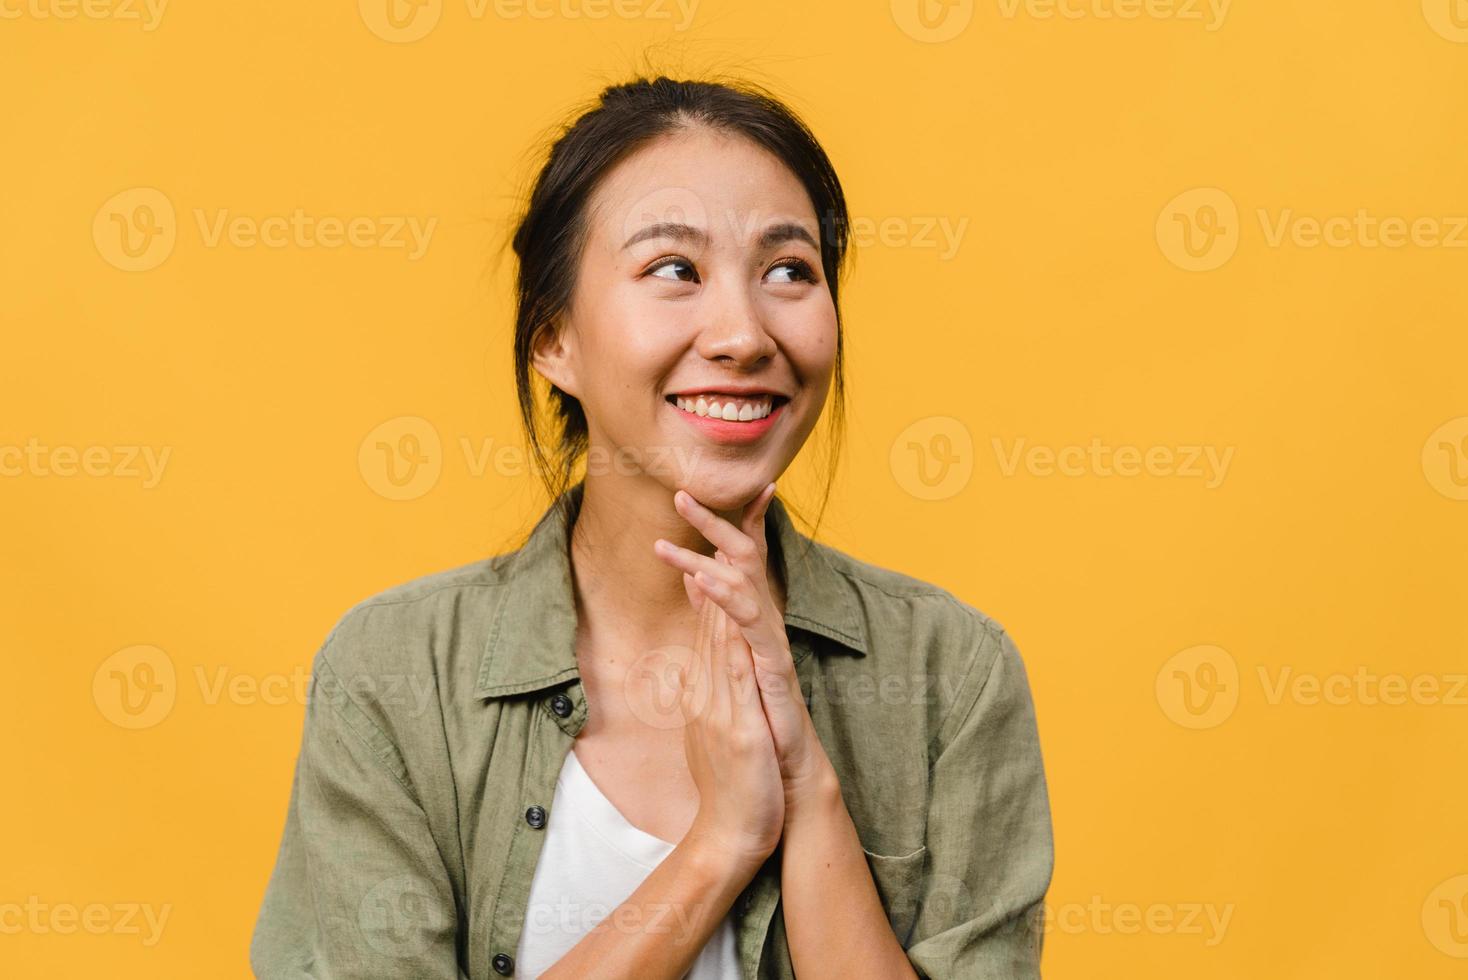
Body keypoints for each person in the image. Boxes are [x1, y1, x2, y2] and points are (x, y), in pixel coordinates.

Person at [251, 75, 1054, 980]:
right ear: (553, 338)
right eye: (675, 269)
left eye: (789, 270)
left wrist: (810, 792)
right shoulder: (397, 677)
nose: (744, 334)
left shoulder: (952, 674)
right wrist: (721, 844)